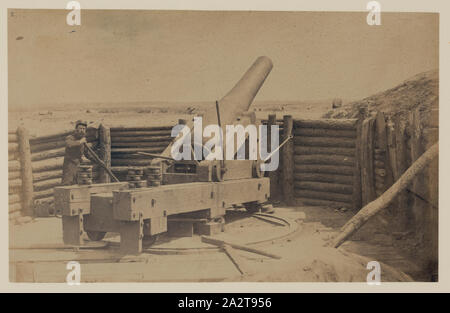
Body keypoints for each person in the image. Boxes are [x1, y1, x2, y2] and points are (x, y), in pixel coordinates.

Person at [61, 120, 97, 185]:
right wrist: (80, 142)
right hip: (69, 164)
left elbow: (86, 153)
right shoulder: (70, 138)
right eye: (80, 128)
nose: (82, 130)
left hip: (78, 164)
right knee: (67, 182)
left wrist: (95, 160)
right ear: (76, 129)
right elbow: (70, 145)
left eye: (84, 129)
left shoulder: (83, 139)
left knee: (77, 183)